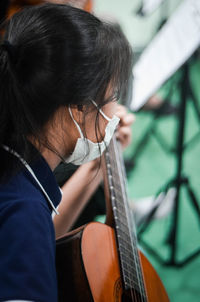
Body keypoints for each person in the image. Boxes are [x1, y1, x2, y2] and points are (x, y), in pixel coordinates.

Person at [0, 3, 132, 301]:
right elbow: (29, 232)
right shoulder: (25, 215)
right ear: (78, 108)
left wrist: (96, 167)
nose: (116, 111)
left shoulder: (14, 151)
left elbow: (40, 233)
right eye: (112, 97)